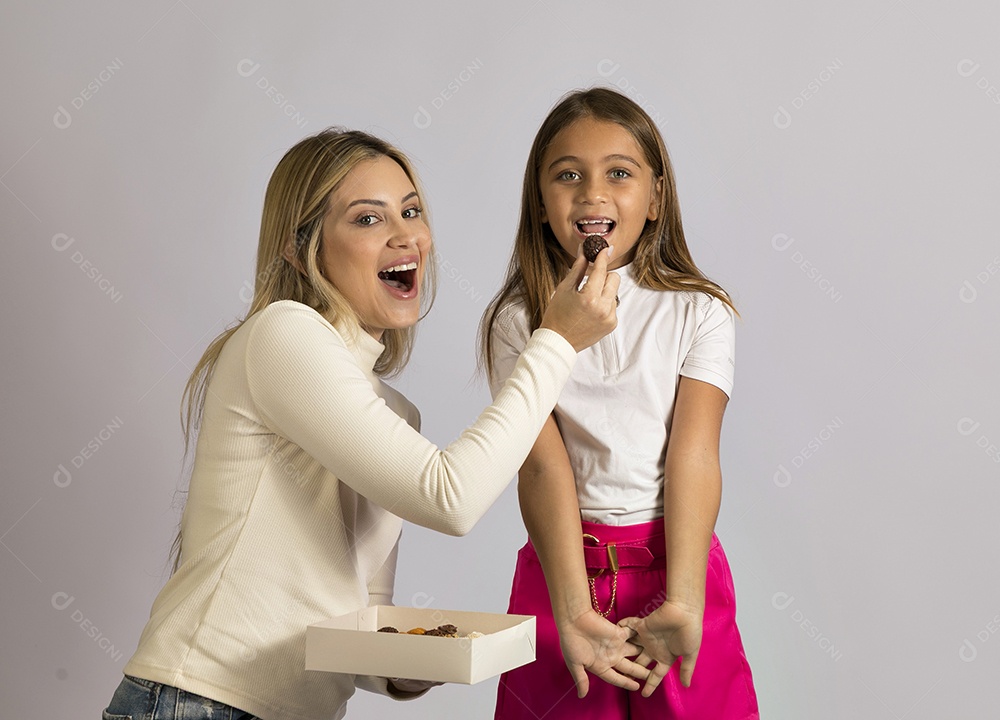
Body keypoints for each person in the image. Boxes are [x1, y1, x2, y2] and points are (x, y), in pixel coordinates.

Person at [102, 127, 629, 720]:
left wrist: (410, 668)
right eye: (368, 219)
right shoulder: (283, 334)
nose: (406, 235)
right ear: (299, 248)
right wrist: (556, 340)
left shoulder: (392, 413)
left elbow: (356, 624)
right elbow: (450, 498)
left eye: (411, 212)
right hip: (197, 702)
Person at [482, 88, 759, 719]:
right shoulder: (519, 320)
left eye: (619, 173)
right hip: (563, 574)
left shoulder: (700, 311)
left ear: (656, 198)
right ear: (540, 198)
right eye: (568, 175)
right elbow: (541, 465)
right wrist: (574, 607)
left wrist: (684, 598)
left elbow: (695, 453)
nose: (592, 193)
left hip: (678, 564)